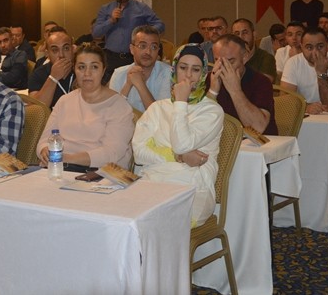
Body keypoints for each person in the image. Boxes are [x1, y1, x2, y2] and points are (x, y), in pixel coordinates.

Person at [132, 43, 224, 226]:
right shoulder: (157, 108)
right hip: (152, 184)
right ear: (174, 70)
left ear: (203, 74)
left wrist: (181, 102)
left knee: (147, 224)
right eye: (183, 68)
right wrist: (178, 156)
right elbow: (139, 153)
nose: (188, 75)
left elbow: (182, 143)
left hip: (192, 190)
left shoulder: (212, 111)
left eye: (195, 70)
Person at [281, 27, 328, 217]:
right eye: (309, 47)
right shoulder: (293, 63)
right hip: (303, 120)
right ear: (301, 47)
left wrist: (322, 73)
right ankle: (290, 193)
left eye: (320, 46)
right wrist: (305, 106)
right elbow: (286, 98)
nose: (315, 52)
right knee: (282, 142)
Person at [36, 43, 134, 170]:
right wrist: (44, 150)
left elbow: (112, 153)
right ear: (74, 70)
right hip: (60, 167)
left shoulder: (119, 106)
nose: (87, 73)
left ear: (103, 70)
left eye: (94, 67)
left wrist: (67, 158)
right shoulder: (64, 101)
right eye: (81, 67)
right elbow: (44, 141)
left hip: (101, 172)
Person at [92, 0, 164, 82]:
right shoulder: (105, 9)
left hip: (133, 58)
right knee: (111, 88)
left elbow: (160, 25)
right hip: (111, 59)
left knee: (134, 87)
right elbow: (96, 32)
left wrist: (146, 35)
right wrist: (111, 20)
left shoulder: (141, 8)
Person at [209, 34, 276, 135]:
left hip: (259, 142)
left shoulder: (261, 82)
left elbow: (258, 128)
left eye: (230, 61)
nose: (223, 67)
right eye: (217, 61)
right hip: (222, 140)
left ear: (244, 57)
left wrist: (235, 91)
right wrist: (212, 92)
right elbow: (199, 123)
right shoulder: (211, 78)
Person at [109, 25, 171, 113]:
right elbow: (112, 113)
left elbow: (161, 116)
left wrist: (140, 84)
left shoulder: (168, 73)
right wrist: (128, 85)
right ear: (132, 49)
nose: (148, 52)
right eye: (142, 46)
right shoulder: (119, 74)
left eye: (153, 47)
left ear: (158, 51)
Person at [28, 27, 76, 109]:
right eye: (55, 50)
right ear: (47, 54)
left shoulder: (82, 71)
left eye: (66, 48)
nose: (61, 55)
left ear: (73, 49)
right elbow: (37, 109)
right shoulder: (38, 74)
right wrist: (53, 78)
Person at [231, 18, 277, 82]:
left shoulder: (266, 58)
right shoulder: (229, 58)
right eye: (237, 34)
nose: (241, 37)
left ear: (254, 35)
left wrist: (243, 63)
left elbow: (264, 84)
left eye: (245, 33)